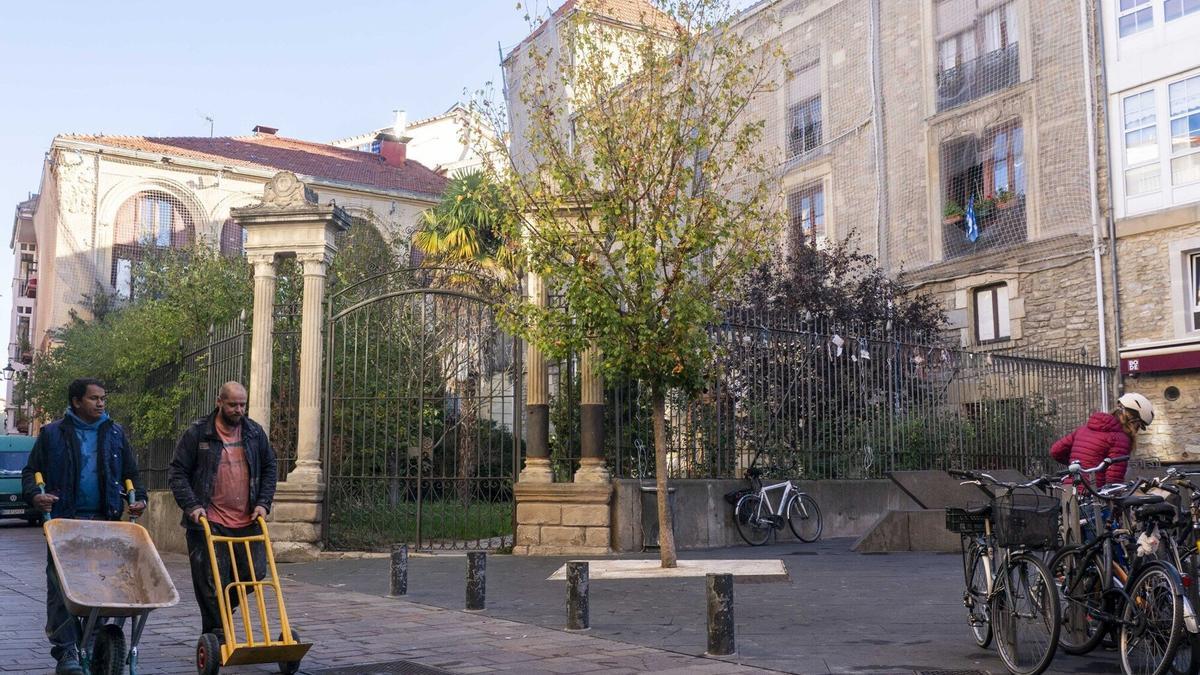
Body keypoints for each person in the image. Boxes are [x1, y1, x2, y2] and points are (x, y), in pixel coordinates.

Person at [21, 378, 146, 675]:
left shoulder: (115, 433)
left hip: (105, 522)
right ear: (76, 401)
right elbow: (30, 472)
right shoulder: (52, 434)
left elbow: (132, 473)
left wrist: (139, 498)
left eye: (103, 398)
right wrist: (37, 496)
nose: (101, 403)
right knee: (62, 589)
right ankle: (67, 652)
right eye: (94, 398)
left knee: (100, 586)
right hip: (64, 523)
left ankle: (89, 645)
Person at [168, 381, 277, 645]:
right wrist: (192, 506)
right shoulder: (197, 433)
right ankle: (216, 633)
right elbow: (177, 472)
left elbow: (270, 467)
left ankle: (220, 617)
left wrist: (263, 503)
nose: (239, 410)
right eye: (233, 404)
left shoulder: (254, 433)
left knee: (254, 574)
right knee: (211, 581)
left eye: (243, 404)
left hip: (247, 518)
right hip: (209, 520)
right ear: (219, 402)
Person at [1050, 392, 1155, 487]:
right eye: (1139, 426)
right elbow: (1113, 480)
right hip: (1093, 495)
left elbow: (1055, 451)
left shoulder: (1084, 429)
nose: (1137, 430)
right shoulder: (1120, 439)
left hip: (1069, 489)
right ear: (1133, 420)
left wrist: (1078, 466)